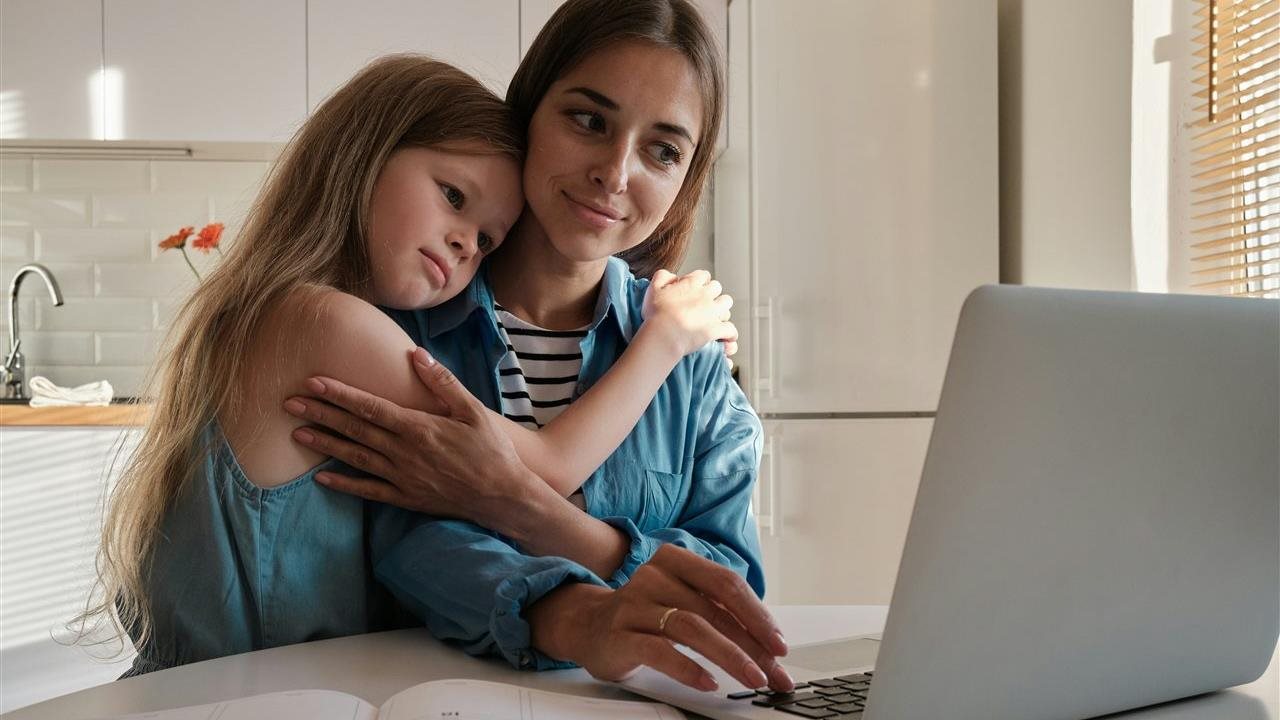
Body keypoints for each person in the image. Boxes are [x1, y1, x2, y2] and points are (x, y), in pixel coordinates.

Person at [83, 53, 738, 675]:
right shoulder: (322, 322)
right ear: (363, 156)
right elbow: (547, 465)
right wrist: (664, 341)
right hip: (228, 699)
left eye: (487, 240)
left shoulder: (290, 312)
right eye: (454, 196)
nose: (464, 243)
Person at [284, 0, 796, 694]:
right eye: (590, 120)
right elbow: (403, 541)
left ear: (684, 183)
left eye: (662, 150)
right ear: (528, 112)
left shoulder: (695, 365)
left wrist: (526, 510)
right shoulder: (404, 318)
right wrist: (584, 616)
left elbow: (726, 591)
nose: (616, 173)